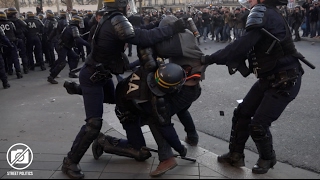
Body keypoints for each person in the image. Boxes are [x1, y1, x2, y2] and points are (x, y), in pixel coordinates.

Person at [60, 0, 187, 178]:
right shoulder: (116, 19)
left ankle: (79, 90)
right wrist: (172, 29)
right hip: (92, 77)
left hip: (101, 75)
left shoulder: (109, 18)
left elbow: (138, 32)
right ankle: (70, 162)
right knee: (93, 124)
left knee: (115, 98)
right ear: (121, 4)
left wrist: (158, 24)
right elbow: (143, 38)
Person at [200, 0, 313, 175]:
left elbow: (242, 45)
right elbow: (250, 46)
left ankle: (267, 158)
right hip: (270, 77)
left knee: (258, 125)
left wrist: (209, 59)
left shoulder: (262, 12)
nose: (248, 1)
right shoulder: (269, 12)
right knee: (242, 113)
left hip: (284, 80)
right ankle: (235, 155)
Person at [47, 15, 90, 84]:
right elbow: (78, 39)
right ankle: (51, 77)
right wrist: (88, 44)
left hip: (66, 46)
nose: (80, 24)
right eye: (79, 22)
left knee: (75, 57)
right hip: (62, 47)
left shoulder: (70, 27)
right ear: (76, 22)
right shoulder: (73, 28)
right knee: (62, 63)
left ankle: (72, 72)